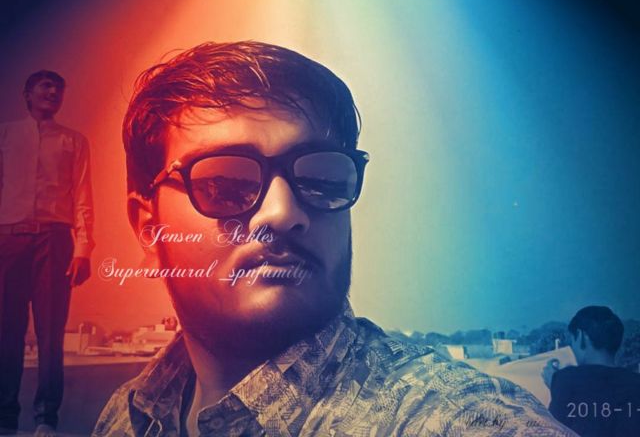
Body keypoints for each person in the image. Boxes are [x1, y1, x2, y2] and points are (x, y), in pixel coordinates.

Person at [94, 41, 575, 436]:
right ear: (148, 227)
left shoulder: (453, 419)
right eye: (226, 183)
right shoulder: (128, 414)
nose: (283, 212)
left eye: (320, 179)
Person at [0, 71, 95, 436]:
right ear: (27, 93)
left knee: (51, 331)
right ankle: (5, 417)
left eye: (59, 87)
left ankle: (46, 419)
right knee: (6, 330)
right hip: (9, 239)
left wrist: (84, 248)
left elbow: (83, 196)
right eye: (46, 85)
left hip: (55, 240)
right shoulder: (5, 135)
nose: (53, 91)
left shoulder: (74, 141)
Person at [543, 306, 640, 436]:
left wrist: (557, 385)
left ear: (582, 336)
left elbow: (554, 431)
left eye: (572, 341)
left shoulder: (565, 380)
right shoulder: (636, 383)